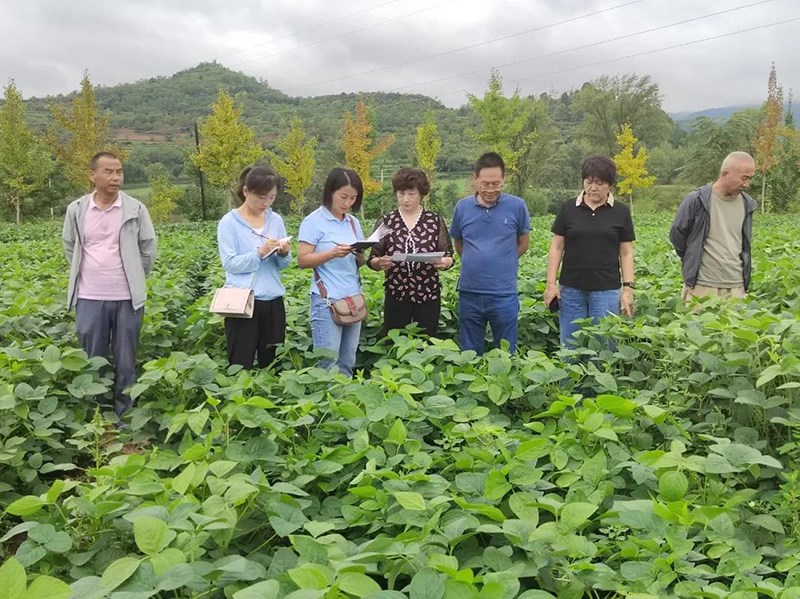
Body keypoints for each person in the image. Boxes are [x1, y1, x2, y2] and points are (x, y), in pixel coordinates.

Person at [62, 152, 157, 417]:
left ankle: (125, 415)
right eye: (109, 171)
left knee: (126, 359)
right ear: (93, 175)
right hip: (89, 295)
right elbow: (70, 245)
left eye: (119, 171)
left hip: (128, 297)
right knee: (93, 358)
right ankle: (98, 414)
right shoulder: (77, 210)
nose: (116, 177)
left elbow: (148, 249)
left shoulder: (135, 209)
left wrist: (135, 276)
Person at [544, 156, 635, 348]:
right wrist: (551, 284)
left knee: (604, 347)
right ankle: (570, 379)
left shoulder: (621, 211)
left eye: (600, 183)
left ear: (610, 185)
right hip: (571, 289)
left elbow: (626, 252)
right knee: (571, 347)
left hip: (606, 290)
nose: (593, 188)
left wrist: (627, 289)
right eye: (589, 182)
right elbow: (557, 246)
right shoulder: (569, 208)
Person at [450, 152, 530, 354]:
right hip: (470, 293)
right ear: (475, 179)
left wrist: (503, 260)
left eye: (496, 183)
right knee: (469, 352)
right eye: (485, 183)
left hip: (504, 293)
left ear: (504, 180)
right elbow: (459, 244)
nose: (490, 189)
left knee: (505, 352)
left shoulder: (517, 206)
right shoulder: (462, 207)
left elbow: (523, 243)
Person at [217, 166, 291, 369]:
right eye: (261, 197)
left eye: (272, 198)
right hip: (242, 302)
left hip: (273, 299)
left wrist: (283, 253)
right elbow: (230, 263)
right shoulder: (229, 223)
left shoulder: (275, 220)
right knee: (240, 362)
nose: (266, 203)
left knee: (272, 363)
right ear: (246, 191)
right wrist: (259, 253)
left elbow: (283, 265)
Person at [368, 168, 454, 336]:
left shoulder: (434, 221)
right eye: (401, 194)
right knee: (395, 342)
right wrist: (379, 263)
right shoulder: (386, 222)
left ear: (421, 194)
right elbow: (372, 257)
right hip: (396, 293)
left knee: (426, 342)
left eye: (411, 194)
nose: (405, 199)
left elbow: (448, 254)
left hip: (428, 293)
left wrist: (444, 262)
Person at [297, 167, 367, 376]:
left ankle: (343, 403)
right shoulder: (313, 221)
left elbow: (358, 262)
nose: (347, 203)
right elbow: (303, 260)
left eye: (353, 198)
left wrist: (360, 257)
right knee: (327, 362)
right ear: (330, 192)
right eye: (343, 196)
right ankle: (325, 404)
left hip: (352, 299)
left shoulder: (353, 223)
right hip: (327, 300)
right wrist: (332, 253)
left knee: (347, 361)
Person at [670, 151, 757, 303]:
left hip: (736, 286)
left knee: (737, 327)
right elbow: (677, 234)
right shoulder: (697, 200)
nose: (747, 184)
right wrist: (691, 256)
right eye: (744, 178)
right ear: (725, 173)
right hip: (702, 285)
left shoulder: (747, 204)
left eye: (750, 178)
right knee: (697, 326)